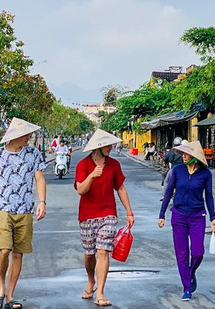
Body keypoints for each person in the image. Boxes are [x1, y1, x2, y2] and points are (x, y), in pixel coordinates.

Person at [0, 118, 46, 309]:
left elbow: (39, 179)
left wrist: (42, 201)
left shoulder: (33, 154)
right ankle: (0, 287)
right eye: (26, 135)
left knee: (18, 253)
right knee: (4, 250)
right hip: (2, 209)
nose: (29, 138)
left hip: (25, 210)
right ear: (15, 136)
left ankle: (10, 294)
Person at [75, 129, 135, 307]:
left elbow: (121, 189)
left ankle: (100, 292)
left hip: (108, 213)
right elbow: (80, 190)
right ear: (99, 147)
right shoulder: (83, 165)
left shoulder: (114, 165)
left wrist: (129, 212)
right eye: (108, 145)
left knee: (103, 251)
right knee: (89, 254)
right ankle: (90, 280)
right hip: (87, 214)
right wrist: (92, 176)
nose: (111, 148)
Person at [159, 141, 215, 302]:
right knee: (182, 254)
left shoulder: (206, 174)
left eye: (186, 154)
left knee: (198, 252)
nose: (182, 157)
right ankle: (186, 287)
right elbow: (168, 192)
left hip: (197, 216)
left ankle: (190, 274)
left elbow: (209, 197)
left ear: (194, 157)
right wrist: (162, 214)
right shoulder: (177, 171)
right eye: (182, 154)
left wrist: (213, 218)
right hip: (178, 216)